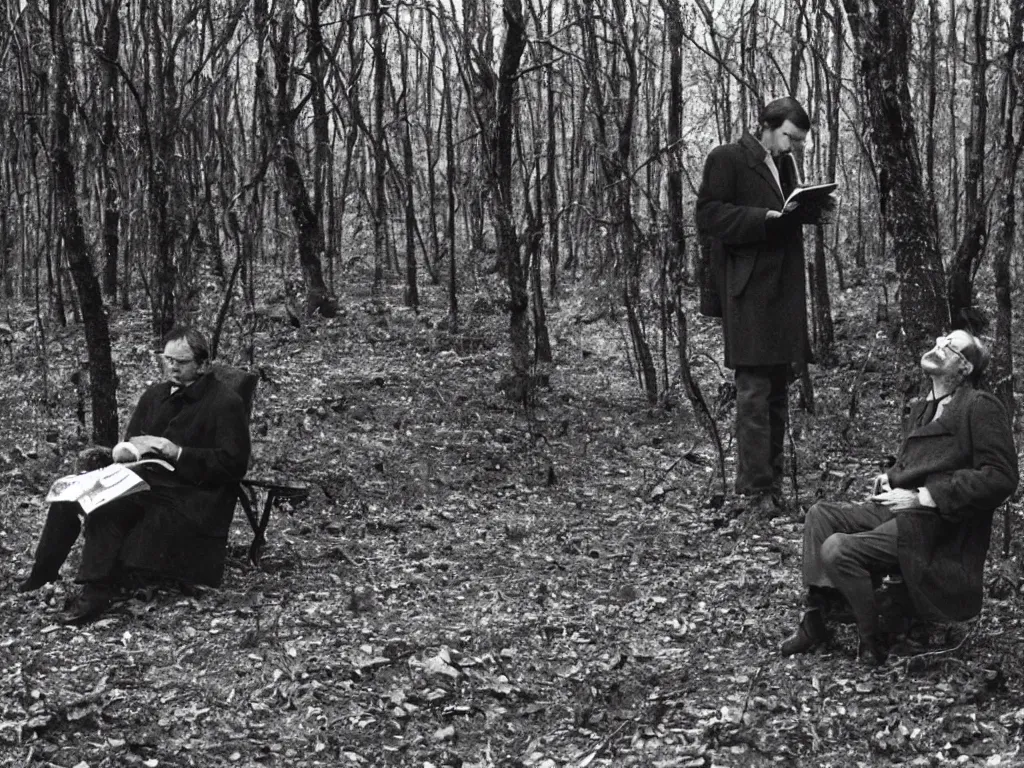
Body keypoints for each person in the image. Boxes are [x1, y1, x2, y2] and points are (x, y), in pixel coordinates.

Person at [781, 330, 1018, 666]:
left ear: (964, 367)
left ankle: (872, 640)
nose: (937, 346)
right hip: (900, 511)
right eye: (939, 340)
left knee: (838, 549)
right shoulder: (925, 406)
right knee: (820, 515)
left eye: (949, 346)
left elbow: (1001, 477)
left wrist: (924, 496)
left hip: (938, 525)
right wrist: (891, 478)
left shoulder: (980, 406)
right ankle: (818, 619)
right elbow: (926, 460)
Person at [17, 326, 251, 624]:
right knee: (67, 495)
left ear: (203, 364)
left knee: (108, 507)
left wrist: (178, 452)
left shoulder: (225, 402)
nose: (173, 367)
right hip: (141, 480)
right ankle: (42, 574)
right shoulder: (155, 394)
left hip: (187, 494)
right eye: (168, 359)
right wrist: (124, 451)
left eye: (181, 361)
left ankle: (95, 594)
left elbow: (233, 464)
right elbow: (133, 439)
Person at [695, 97, 830, 513]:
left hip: (783, 293)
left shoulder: (784, 165)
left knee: (776, 393)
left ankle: (769, 487)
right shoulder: (727, 158)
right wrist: (764, 219)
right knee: (753, 392)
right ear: (768, 126)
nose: (792, 147)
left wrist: (811, 210)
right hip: (749, 291)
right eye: (789, 137)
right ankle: (754, 492)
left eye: (798, 141)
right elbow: (709, 216)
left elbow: (786, 212)